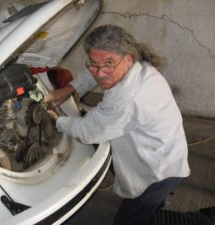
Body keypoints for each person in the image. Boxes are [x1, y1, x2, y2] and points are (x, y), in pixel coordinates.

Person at [43, 25, 190, 225]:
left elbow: (87, 132)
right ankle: (154, 206)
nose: (100, 73)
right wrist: (69, 89)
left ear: (128, 58)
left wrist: (57, 120)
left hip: (159, 171)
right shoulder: (136, 65)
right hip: (159, 150)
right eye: (94, 63)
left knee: (127, 221)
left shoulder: (129, 97)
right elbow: (93, 72)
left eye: (108, 64)